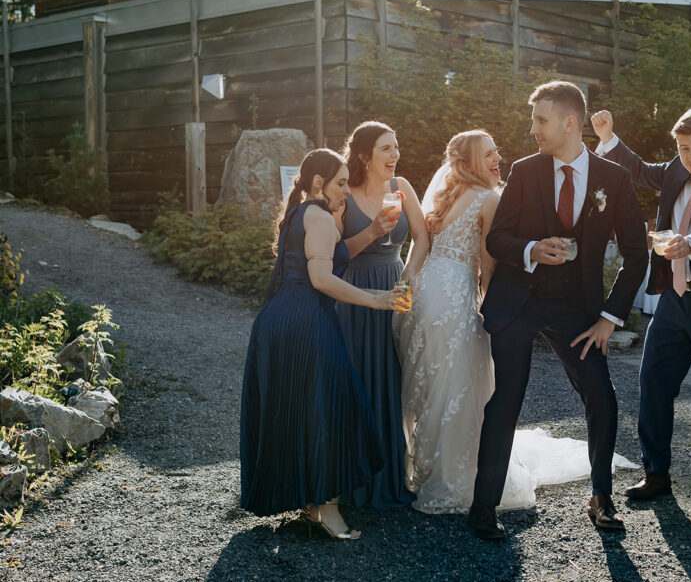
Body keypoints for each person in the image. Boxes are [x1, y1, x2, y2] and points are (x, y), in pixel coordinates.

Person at [394, 130, 637, 515]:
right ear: (471, 161)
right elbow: (491, 257)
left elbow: (425, 246)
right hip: (478, 299)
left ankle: (600, 495)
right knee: (479, 393)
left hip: (438, 295)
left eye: (496, 152)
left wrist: (406, 287)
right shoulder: (510, 182)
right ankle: (477, 497)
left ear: (568, 122)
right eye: (489, 154)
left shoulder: (446, 195)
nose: (499, 159)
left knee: (437, 385)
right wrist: (493, 307)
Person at [468, 81, 647, 539]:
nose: (532, 130)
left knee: (602, 399)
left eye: (540, 120)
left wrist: (610, 318)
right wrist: (530, 248)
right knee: (507, 400)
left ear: (570, 123)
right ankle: (483, 507)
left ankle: (601, 497)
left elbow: (636, 254)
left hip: (578, 310)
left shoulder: (615, 179)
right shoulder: (526, 172)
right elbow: (497, 239)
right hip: (519, 303)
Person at [240, 148, 408, 539]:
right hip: (306, 322)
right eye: (341, 183)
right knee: (331, 411)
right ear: (319, 182)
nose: (346, 192)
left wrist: (373, 231)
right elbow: (322, 279)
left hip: (279, 322)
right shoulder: (319, 216)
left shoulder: (300, 213)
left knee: (297, 410)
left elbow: (334, 256)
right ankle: (329, 508)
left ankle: (311, 501)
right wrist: (378, 299)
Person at [591, 107, 691, 514]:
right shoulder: (678, 169)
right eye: (683, 149)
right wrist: (608, 137)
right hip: (673, 299)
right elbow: (641, 171)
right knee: (654, 381)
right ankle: (656, 473)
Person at [337, 121, 429, 509]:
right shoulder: (345, 194)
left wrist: (406, 279)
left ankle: (391, 478)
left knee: (393, 378)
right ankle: (351, 482)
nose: (394, 156)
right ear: (363, 156)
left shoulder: (402, 188)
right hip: (355, 293)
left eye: (396, 147)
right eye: (385, 149)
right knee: (357, 379)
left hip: (396, 286)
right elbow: (338, 253)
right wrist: (373, 230)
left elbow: (423, 239)